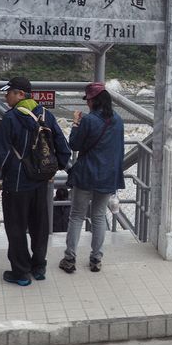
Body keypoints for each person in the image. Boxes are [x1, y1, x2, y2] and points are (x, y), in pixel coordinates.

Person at [0, 77, 71, 286]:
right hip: (41, 181)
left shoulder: (11, 118)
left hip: (17, 183)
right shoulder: (46, 115)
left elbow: (3, 152)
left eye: (8, 93)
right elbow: (62, 147)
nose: (5, 97)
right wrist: (56, 168)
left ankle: (21, 273)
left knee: (16, 227)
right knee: (39, 226)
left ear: (20, 94)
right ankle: (39, 268)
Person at [59, 82, 125, 274]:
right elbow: (119, 151)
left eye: (87, 100)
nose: (87, 103)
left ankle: (70, 258)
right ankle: (96, 259)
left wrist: (76, 123)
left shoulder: (88, 120)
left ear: (94, 100)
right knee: (98, 217)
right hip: (107, 177)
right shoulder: (119, 120)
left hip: (87, 174)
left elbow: (75, 144)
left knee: (77, 216)